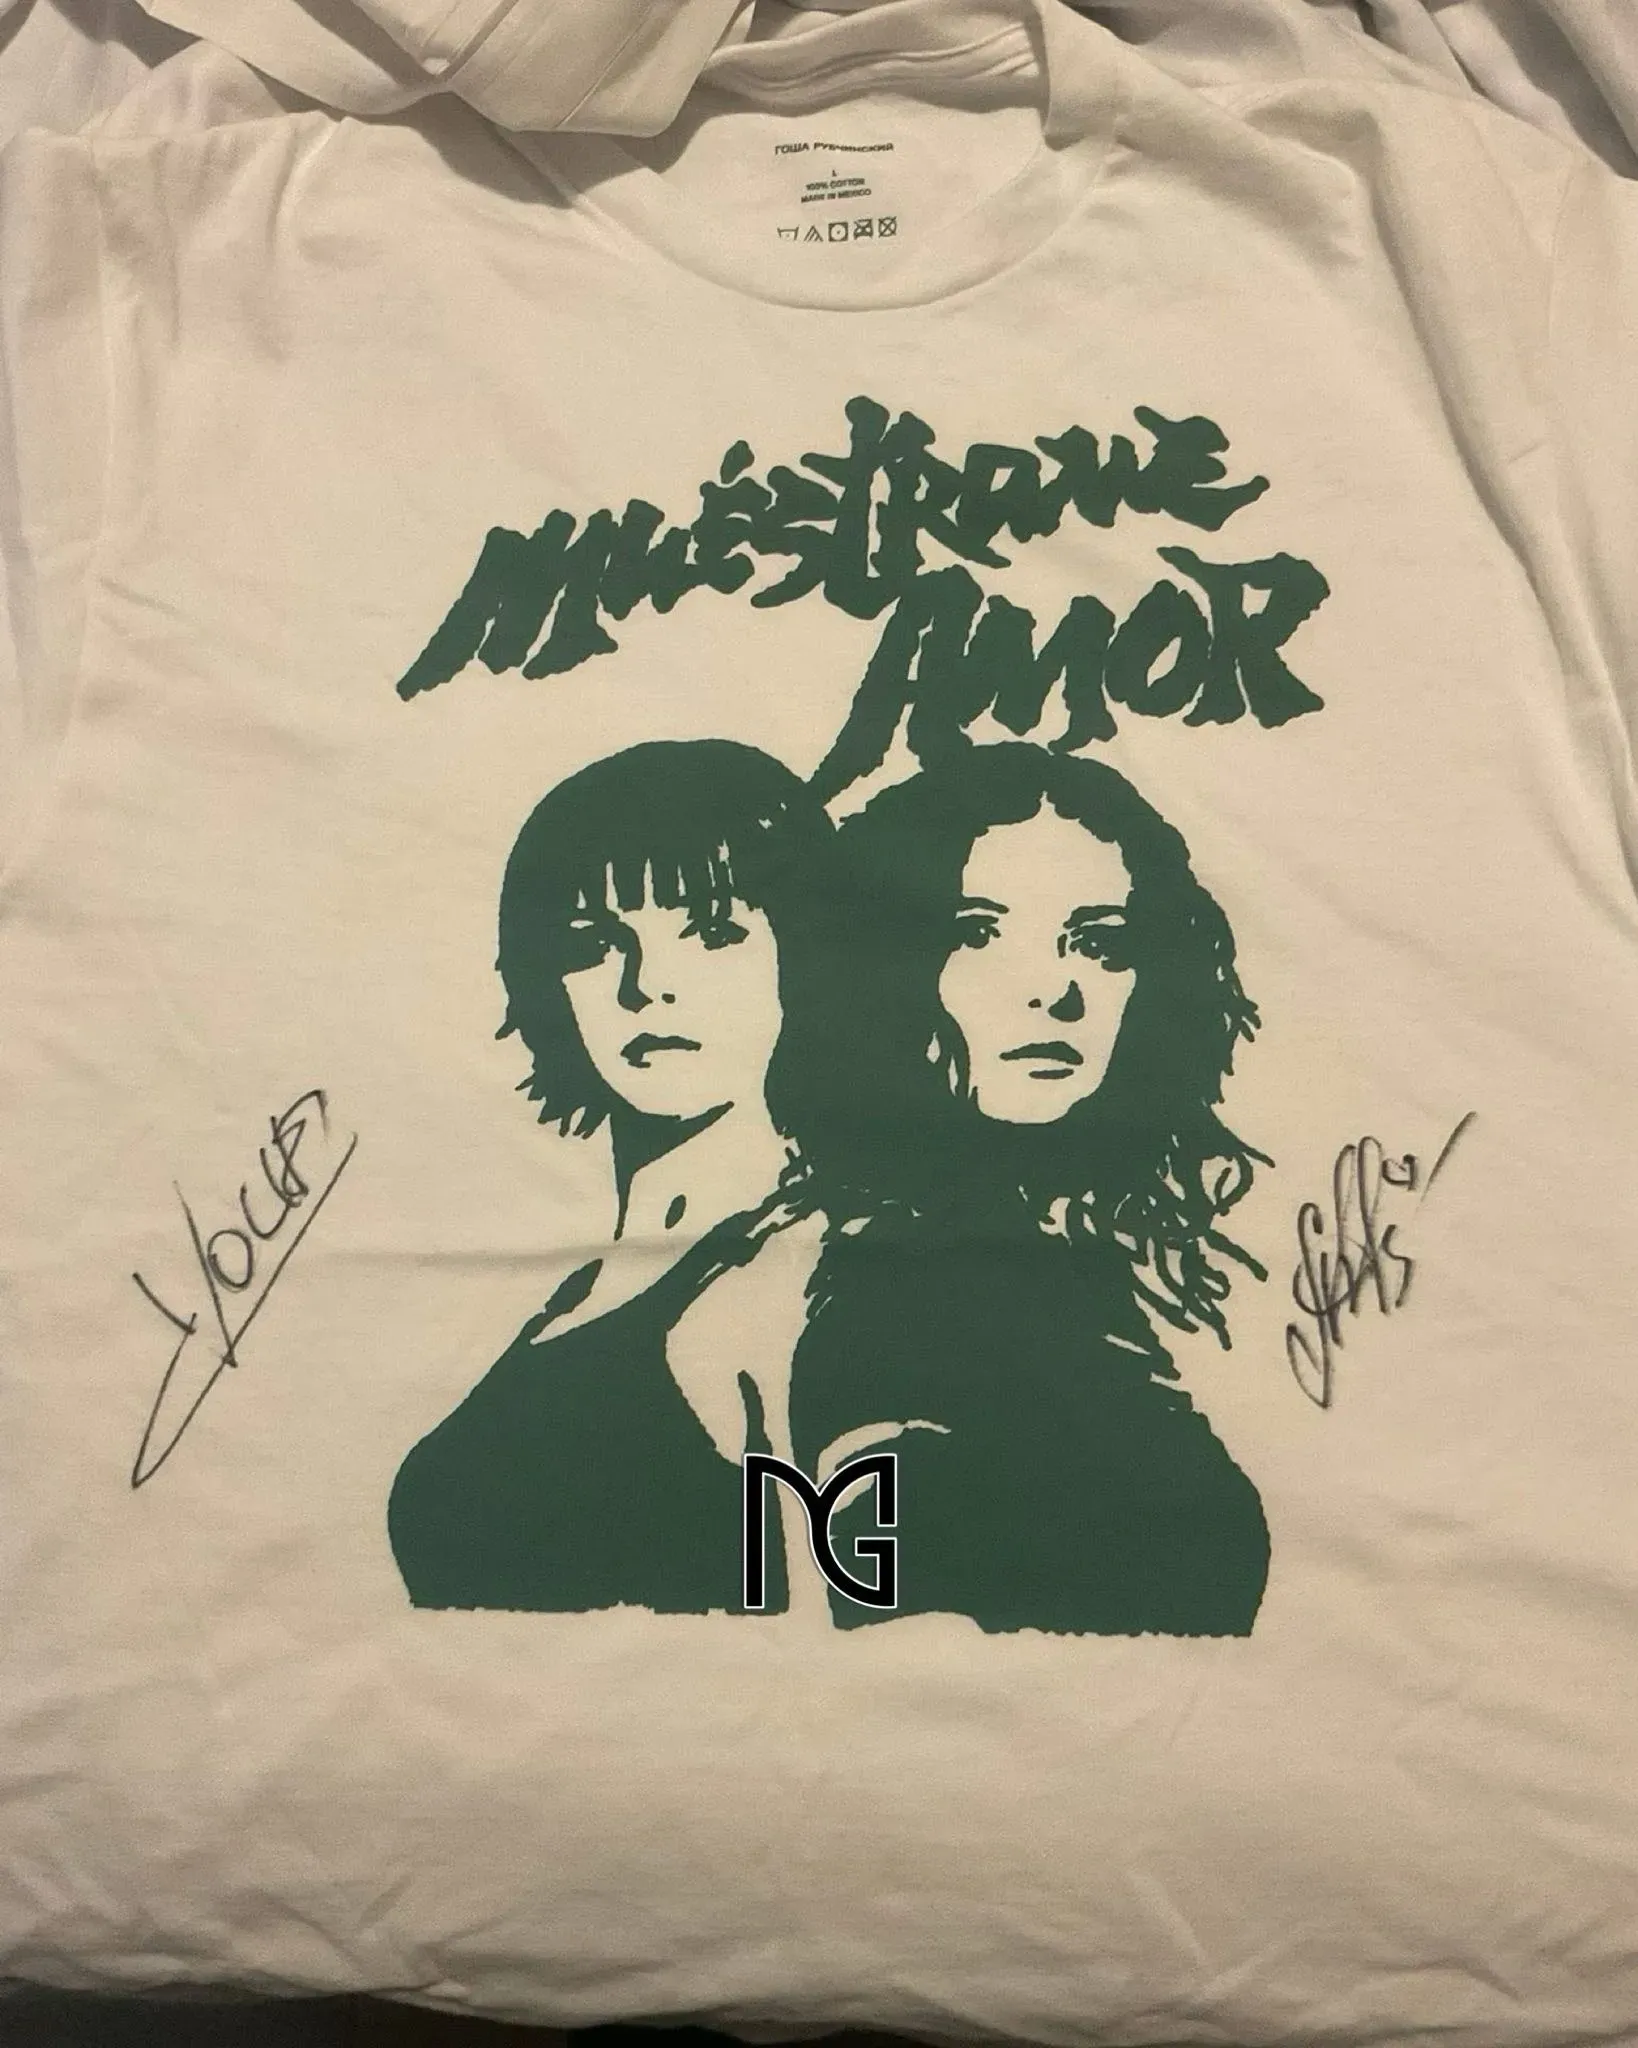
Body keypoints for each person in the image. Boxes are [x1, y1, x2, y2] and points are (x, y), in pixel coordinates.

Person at [786, 743, 1272, 1637]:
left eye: (1100, 942)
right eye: (977, 933)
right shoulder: (862, 1291)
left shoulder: (1093, 1259)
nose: (1056, 991)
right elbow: (845, 1606)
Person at [388, 739, 836, 1615]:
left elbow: (847, 1620)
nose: (646, 986)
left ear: (805, 956)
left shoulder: (802, 1274)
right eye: (597, 943)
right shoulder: (577, 1291)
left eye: (714, 932)